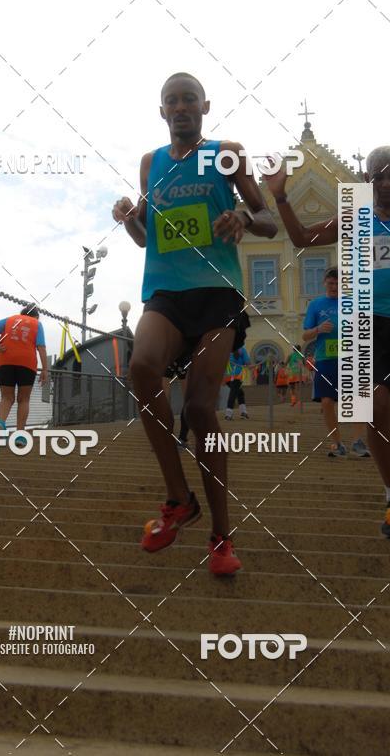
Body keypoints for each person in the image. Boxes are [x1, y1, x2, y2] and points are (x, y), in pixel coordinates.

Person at [112, 72, 277, 575]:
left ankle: (221, 537)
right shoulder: (150, 165)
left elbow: (266, 217)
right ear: (161, 112)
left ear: (205, 106)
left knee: (203, 409)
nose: (180, 107)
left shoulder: (227, 152)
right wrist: (128, 217)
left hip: (216, 295)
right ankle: (178, 498)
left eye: (188, 99)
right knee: (142, 366)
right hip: (165, 293)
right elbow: (146, 238)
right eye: (171, 101)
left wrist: (244, 220)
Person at [264, 147, 390, 545]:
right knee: (375, 407)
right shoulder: (353, 219)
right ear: (366, 181)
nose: (384, 183)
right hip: (371, 326)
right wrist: (280, 196)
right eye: (376, 177)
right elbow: (300, 238)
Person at [303, 267, 370, 457]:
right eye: (331, 283)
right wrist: (318, 329)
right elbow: (305, 334)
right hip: (326, 358)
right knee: (326, 402)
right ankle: (337, 443)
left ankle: (357, 442)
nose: (334, 287)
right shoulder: (316, 305)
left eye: (338, 283)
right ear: (325, 283)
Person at [0, 304, 48, 446]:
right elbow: (41, 347)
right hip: (26, 362)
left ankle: (1, 422)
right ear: (36, 316)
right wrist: (45, 369)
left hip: (5, 360)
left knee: (6, 397)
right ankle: (20, 435)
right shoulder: (37, 324)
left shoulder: (11, 319)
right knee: (23, 399)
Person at [224, 346, 250, 420]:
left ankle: (243, 412)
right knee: (233, 393)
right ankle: (228, 414)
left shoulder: (227, 348)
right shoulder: (242, 349)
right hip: (237, 376)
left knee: (240, 393)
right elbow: (247, 362)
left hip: (227, 377)